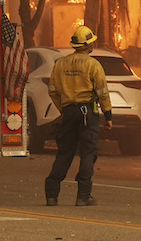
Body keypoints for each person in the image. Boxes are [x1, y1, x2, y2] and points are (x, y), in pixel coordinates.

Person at [44, 25, 113, 207]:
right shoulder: (93, 65)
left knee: (64, 153)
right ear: (88, 45)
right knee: (88, 153)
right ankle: (83, 196)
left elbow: (52, 91)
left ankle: (52, 194)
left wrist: (64, 108)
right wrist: (108, 115)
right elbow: (103, 92)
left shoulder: (61, 64)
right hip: (87, 114)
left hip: (68, 113)